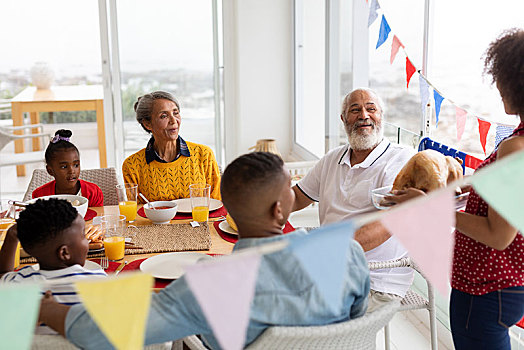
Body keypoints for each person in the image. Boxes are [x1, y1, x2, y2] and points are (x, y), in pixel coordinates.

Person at [38, 152, 370, 349]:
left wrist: (49, 311)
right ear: (280, 210)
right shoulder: (347, 254)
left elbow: (111, 329)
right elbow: (353, 326)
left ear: (226, 213)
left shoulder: (208, 287)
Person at [389, 29, 524, 350]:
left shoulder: (516, 148)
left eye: (500, 79)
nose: (497, 88)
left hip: (486, 291)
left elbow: (498, 234)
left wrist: (433, 207)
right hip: (503, 287)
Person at [292, 88, 416, 312]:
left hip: (374, 278)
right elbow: (296, 197)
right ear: (343, 119)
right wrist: (260, 208)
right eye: (355, 110)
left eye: (371, 109)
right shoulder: (332, 158)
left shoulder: (401, 158)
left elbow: (390, 222)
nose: (364, 116)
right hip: (330, 267)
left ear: (381, 116)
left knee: (293, 312)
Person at [0, 198, 107, 334]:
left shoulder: (19, 283)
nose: (87, 241)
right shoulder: (98, 282)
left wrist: (11, 236)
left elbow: (3, 273)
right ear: (64, 253)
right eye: (83, 236)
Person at [122, 91, 221, 202]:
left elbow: (217, 203)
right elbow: (137, 213)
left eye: (176, 113)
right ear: (147, 124)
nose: (174, 121)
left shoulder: (204, 154)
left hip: (199, 220)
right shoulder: (132, 165)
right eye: (164, 116)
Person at [32, 129, 104, 207]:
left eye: (76, 165)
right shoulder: (40, 196)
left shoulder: (93, 192)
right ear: (50, 171)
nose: (71, 171)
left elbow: (98, 217)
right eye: (64, 167)